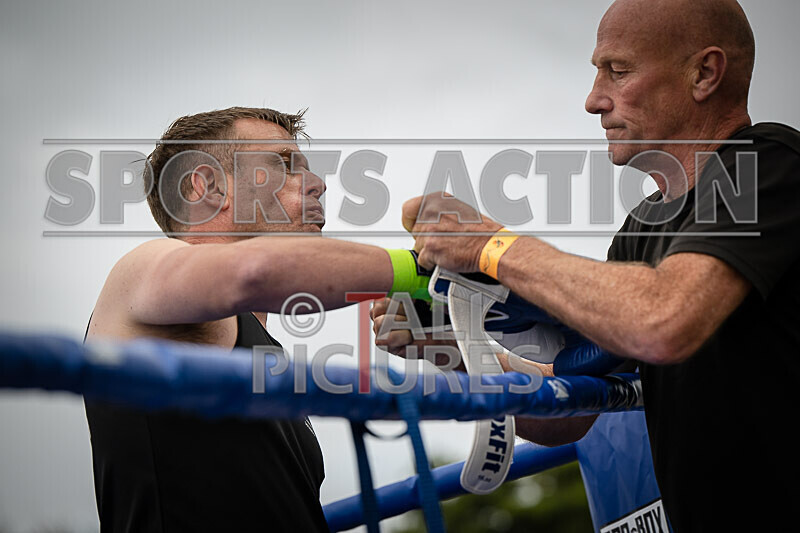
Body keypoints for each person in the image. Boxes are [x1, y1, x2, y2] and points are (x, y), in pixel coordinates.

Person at [373, 0, 800, 530]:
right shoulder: (642, 228)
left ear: (704, 74)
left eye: (617, 71)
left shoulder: (770, 163)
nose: (593, 100)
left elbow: (664, 319)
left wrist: (490, 246)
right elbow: (571, 412)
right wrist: (452, 349)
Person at [83, 107, 432, 532]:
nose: (318, 183)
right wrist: (423, 272)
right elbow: (253, 272)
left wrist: (449, 342)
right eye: (285, 164)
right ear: (209, 185)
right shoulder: (141, 270)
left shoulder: (262, 351)